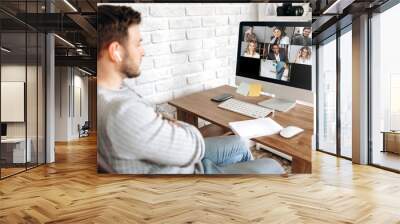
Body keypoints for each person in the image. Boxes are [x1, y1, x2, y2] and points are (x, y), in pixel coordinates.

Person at [96, 5, 284, 174]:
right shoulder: (121, 112)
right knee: (273, 166)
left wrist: (164, 124)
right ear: (116, 51)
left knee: (239, 144)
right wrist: (179, 127)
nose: (143, 51)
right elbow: (193, 146)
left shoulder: (110, 90)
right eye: (138, 44)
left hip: (173, 159)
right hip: (184, 174)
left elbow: (157, 119)